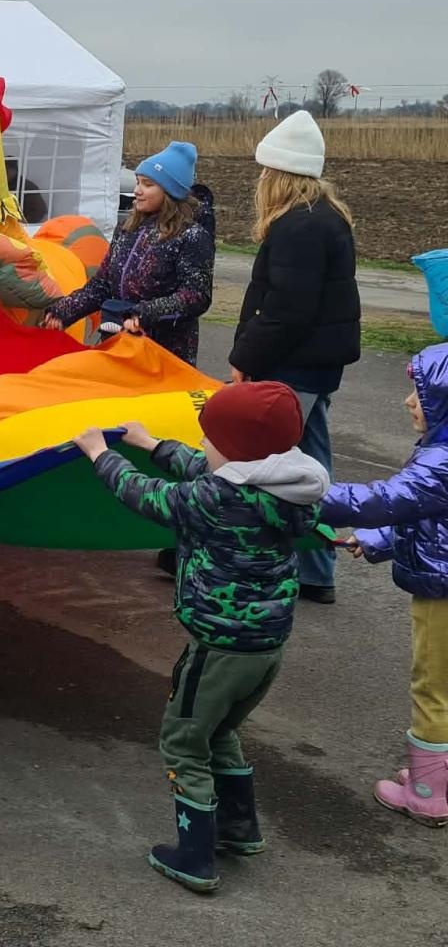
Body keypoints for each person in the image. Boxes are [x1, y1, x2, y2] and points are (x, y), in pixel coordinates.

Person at [72, 382, 329, 893]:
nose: (204, 446)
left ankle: (195, 856)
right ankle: (239, 829)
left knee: (184, 740)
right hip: (265, 647)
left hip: (218, 648)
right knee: (220, 732)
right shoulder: (291, 487)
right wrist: (154, 445)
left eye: (209, 438)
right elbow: (209, 470)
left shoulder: (217, 497)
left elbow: (152, 497)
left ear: (233, 451)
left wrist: (101, 454)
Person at [229, 110, 360, 605]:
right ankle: (316, 566)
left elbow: (287, 310)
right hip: (315, 365)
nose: (260, 179)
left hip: (295, 366)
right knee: (311, 463)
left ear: (281, 175)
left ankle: (248, 559)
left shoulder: (299, 227)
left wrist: (245, 357)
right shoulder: (322, 218)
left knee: (268, 464)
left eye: (266, 170)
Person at [320, 343, 448, 826]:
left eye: (420, 394)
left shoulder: (442, 459)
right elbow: (424, 515)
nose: (409, 402)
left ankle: (427, 791)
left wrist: (300, 488)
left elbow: (385, 499)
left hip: (442, 592)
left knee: (432, 686)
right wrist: (376, 541)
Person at [43, 141, 215, 363]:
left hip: (162, 353)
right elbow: (102, 284)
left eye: (147, 184)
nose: (137, 191)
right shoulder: (126, 229)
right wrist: (63, 311)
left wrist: (145, 314)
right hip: (116, 341)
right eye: (137, 182)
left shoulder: (192, 237)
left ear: (170, 191)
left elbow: (196, 296)